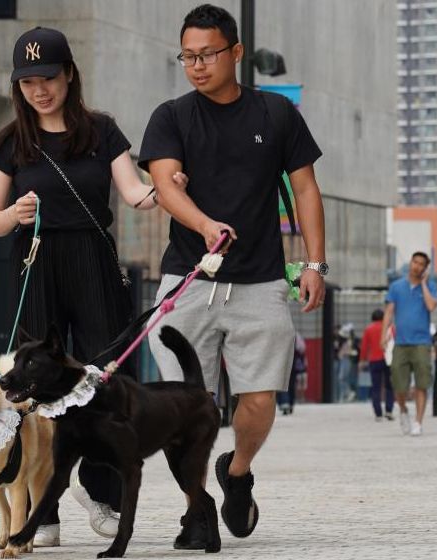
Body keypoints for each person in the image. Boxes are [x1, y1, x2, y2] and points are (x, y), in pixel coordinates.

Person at [0, 26, 187, 547]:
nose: (40, 90)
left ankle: (104, 495)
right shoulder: (9, 143)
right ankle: (40, 510)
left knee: (104, 377)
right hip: (36, 260)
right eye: (28, 82)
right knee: (34, 385)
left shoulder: (102, 132)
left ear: (69, 74)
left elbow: (135, 193)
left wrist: (166, 191)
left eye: (48, 77)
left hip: (95, 261)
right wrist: (12, 213)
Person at [139, 4, 326, 545]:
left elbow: (307, 189)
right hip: (188, 282)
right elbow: (166, 186)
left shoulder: (277, 114)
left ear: (236, 52)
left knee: (259, 399)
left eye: (208, 55)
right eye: (188, 57)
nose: (197, 66)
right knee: (182, 410)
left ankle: (237, 472)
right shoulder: (171, 116)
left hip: (262, 282)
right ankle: (196, 508)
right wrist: (204, 225)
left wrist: (313, 264)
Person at [382, 251, 437, 437]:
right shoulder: (396, 287)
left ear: (425, 268)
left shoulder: (430, 286)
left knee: (422, 384)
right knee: (399, 385)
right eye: (415, 262)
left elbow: (431, 306)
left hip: (422, 342)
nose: (417, 266)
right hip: (401, 342)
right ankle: (403, 410)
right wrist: (384, 335)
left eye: (422, 264)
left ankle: (418, 423)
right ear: (411, 262)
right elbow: (389, 312)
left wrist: (423, 284)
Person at [360, 309, 393, 421]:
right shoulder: (389, 328)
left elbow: (364, 347)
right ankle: (389, 410)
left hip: (374, 360)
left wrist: (362, 360)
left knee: (376, 387)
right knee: (389, 386)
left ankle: (378, 413)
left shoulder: (368, 329)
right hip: (388, 359)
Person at [278, 333, 307, 415]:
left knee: (283, 384)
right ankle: (290, 403)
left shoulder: (280, 335)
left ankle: (284, 403)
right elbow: (302, 348)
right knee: (291, 384)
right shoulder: (296, 336)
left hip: (282, 364)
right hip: (293, 364)